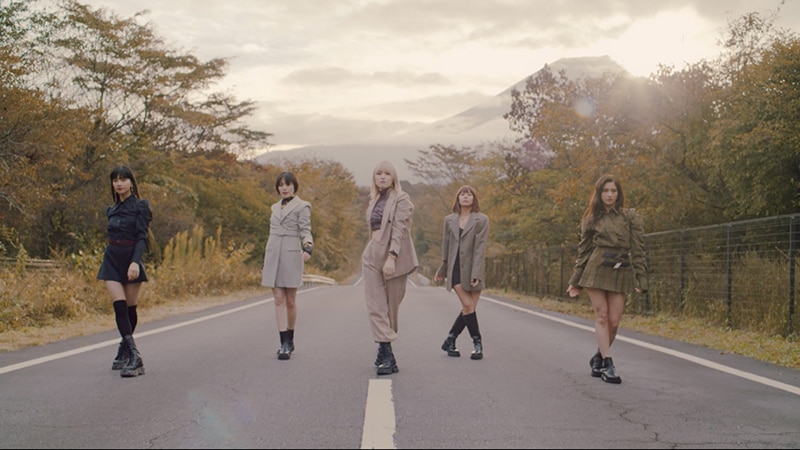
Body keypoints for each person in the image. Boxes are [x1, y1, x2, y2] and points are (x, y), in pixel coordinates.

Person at [566, 174, 648, 384]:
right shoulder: (591, 220)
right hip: (596, 269)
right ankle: (609, 364)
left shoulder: (630, 217)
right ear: (599, 194)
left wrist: (641, 278)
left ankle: (598, 357)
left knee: (614, 321)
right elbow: (584, 252)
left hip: (620, 269)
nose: (610, 195)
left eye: (613, 191)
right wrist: (575, 281)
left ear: (619, 193)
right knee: (602, 316)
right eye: (605, 191)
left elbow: (638, 249)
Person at [362, 161, 419, 375]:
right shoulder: (374, 200)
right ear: (374, 177)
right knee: (376, 306)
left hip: (394, 255)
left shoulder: (402, 199)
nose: (383, 177)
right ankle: (387, 355)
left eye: (387, 173)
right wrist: (373, 249)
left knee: (390, 307)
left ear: (394, 177)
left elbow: (399, 229)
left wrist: (392, 256)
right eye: (379, 173)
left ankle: (384, 351)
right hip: (372, 254)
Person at [96, 166, 153, 378]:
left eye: (123, 179)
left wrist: (135, 262)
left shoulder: (141, 206)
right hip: (111, 259)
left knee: (130, 309)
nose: (119, 183)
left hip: (131, 258)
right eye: (115, 180)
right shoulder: (111, 210)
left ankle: (124, 349)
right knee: (119, 306)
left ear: (131, 182)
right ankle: (135, 356)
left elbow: (142, 237)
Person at [261, 172, 314, 360]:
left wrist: (308, 247)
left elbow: (306, 230)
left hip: (291, 254)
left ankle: (290, 338)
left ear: (294, 186)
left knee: (290, 301)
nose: (284, 188)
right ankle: (283, 342)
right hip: (273, 252)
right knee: (278, 299)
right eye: (281, 185)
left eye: (288, 184)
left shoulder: (302, 206)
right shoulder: (274, 207)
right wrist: (266, 258)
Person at [434, 185, 489, 360]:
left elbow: (480, 248)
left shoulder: (482, 220)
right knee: (467, 305)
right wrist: (442, 269)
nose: (466, 196)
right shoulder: (449, 220)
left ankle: (450, 340)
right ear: (458, 198)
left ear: (474, 199)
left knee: (469, 308)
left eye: (469, 194)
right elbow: (446, 245)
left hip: (474, 268)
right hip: (455, 268)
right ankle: (477, 343)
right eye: (462, 194)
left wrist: (476, 273)